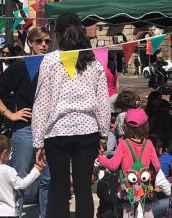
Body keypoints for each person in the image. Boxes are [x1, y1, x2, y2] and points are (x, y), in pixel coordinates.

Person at [31, 12, 110, 218]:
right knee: (83, 188)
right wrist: (103, 133)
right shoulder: (94, 61)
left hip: (57, 132)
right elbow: (103, 101)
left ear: (58, 34)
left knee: (59, 188)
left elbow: (41, 103)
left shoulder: (49, 61)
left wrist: (38, 141)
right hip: (88, 131)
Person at [0, 26, 52, 218]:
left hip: (50, 129)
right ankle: (17, 213)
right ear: (30, 43)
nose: (44, 45)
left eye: (47, 41)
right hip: (25, 129)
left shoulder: (56, 65)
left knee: (48, 178)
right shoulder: (21, 67)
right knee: (19, 178)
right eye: (39, 41)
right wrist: (10, 114)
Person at [98, 108, 161, 218]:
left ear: (125, 126)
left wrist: (99, 157)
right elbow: (157, 165)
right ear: (146, 126)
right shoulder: (149, 143)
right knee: (147, 211)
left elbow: (113, 165)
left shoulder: (123, 144)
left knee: (128, 212)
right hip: (145, 186)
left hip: (127, 187)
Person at [0, 135, 44, 217]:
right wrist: (36, 170)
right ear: (4, 153)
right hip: (7, 213)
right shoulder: (8, 170)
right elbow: (21, 184)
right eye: (10, 152)